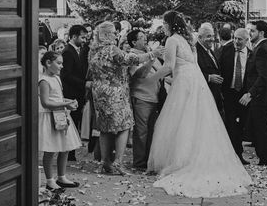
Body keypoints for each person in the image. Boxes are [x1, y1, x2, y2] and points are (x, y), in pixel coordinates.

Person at [147, 11, 252, 197]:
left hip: (184, 83)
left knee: (181, 121)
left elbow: (169, 66)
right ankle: (195, 158)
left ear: (169, 24)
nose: (163, 26)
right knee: (198, 121)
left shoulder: (172, 40)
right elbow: (191, 65)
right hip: (195, 82)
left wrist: (150, 79)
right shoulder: (189, 40)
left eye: (164, 23)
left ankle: (182, 162)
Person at [88, 21, 164, 176]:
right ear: (108, 35)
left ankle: (105, 163)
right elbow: (130, 60)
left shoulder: (93, 51)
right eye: (114, 33)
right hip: (115, 92)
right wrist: (152, 54)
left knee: (105, 128)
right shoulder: (112, 49)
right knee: (125, 126)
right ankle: (118, 162)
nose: (116, 36)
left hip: (99, 92)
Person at [38, 51, 82, 190]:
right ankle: (50, 180)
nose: (62, 66)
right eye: (59, 63)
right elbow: (45, 103)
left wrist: (68, 101)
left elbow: (57, 98)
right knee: (50, 149)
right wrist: (65, 104)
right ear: (48, 63)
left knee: (65, 147)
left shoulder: (56, 78)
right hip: (49, 116)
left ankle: (62, 176)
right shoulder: (44, 80)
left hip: (60, 115)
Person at [239, 20, 267, 166]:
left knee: (262, 128)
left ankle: (266, 160)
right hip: (263, 95)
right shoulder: (265, 47)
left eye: (253, 31)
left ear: (262, 32)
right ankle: (264, 158)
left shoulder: (263, 49)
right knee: (260, 127)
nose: (250, 33)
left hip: (262, 96)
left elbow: (263, 76)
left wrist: (250, 94)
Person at [128, 29, 164, 170]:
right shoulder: (132, 56)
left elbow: (160, 72)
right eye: (141, 38)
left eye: (145, 37)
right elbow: (138, 74)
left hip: (154, 96)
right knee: (141, 132)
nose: (145, 40)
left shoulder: (149, 53)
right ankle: (139, 162)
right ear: (134, 42)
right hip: (141, 96)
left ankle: (148, 160)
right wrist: (150, 59)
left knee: (151, 131)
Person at [218, 27, 250, 165]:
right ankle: (230, 155)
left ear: (246, 40)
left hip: (243, 95)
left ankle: (239, 153)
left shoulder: (251, 54)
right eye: (235, 38)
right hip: (228, 93)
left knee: (241, 125)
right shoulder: (225, 51)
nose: (236, 41)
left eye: (240, 39)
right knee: (230, 124)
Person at [61, 24, 89, 161]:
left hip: (78, 92)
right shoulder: (67, 52)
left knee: (76, 121)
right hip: (71, 93)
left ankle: (71, 152)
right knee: (71, 122)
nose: (84, 40)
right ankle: (69, 153)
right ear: (73, 36)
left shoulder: (79, 50)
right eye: (82, 37)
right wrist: (84, 84)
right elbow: (66, 75)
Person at [194, 22, 224, 114]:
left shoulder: (210, 50)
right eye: (208, 36)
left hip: (215, 95)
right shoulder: (195, 52)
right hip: (204, 97)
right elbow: (192, 73)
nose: (212, 39)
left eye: (213, 36)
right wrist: (209, 77)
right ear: (199, 37)